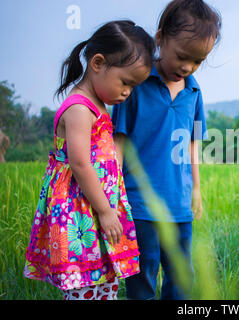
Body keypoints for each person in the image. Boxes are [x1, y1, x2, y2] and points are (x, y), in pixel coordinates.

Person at [23, 20, 156, 300]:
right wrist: (106, 211)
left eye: (133, 87)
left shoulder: (97, 104)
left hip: (94, 205)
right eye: (125, 82)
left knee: (102, 278)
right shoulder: (80, 108)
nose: (127, 92)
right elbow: (80, 163)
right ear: (98, 63)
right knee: (84, 281)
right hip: (81, 210)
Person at [112, 0, 221, 300]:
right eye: (182, 56)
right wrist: (114, 195)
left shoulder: (194, 92)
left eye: (198, 61)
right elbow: (118, 141)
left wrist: (196, 189)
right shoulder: (136, 86)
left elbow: (192, 144)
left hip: (179, 203)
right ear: (160, 39)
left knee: (180, 276)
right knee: (143, 273)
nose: (187, 67)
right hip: (139, 202)